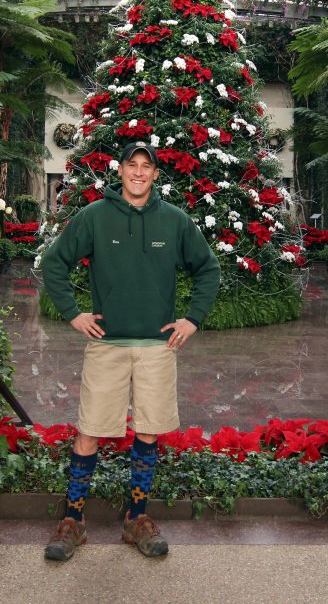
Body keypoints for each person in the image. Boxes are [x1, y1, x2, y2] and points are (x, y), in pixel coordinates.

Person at [41, 140, 220, 560]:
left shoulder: (174, 221)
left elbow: (208, 269)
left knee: (147, 431)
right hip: (108, 346)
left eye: (146, 167)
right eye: (131, 165)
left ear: (156, 174)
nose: (138, 172)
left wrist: (192, 319)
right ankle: (74, 521)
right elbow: (55, 262)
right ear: (119, 171)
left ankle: (135, 519)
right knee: (89, 431)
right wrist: (73, 314)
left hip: (158, 348)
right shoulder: (95, 218)